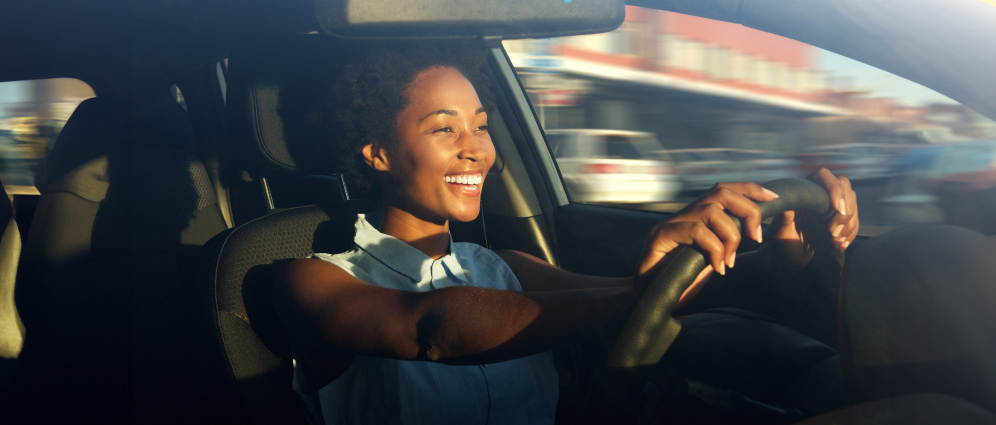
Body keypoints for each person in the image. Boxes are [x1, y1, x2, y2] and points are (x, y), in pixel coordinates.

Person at [273, 41, 859, 425]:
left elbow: (641, 301)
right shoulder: (314, 280)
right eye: (444, 129)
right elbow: (429, 328)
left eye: (481, 126)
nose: (476, 149)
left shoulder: (503, 266)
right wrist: (634, 297)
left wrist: (776, 261)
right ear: (377, 153)